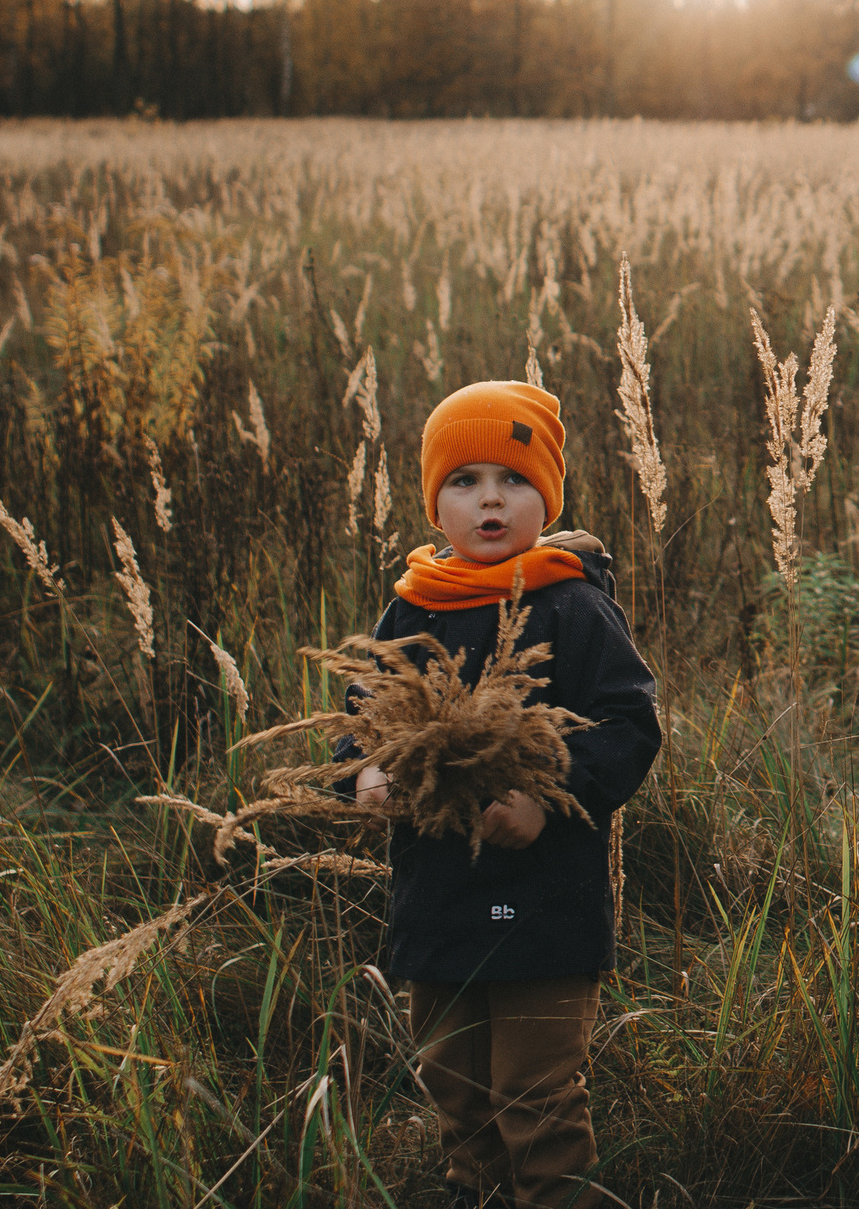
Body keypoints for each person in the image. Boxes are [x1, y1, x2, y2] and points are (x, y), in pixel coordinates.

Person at [342, 380, 661, 1209]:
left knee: (536, 1094)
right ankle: (473, 1193)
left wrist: (547, 798)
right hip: (437, 897)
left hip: (544, 902)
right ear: (435, 503)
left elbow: (628, 722)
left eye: (514, 481)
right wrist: (366, 769)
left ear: (545, 497)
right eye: (466, 480)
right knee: (454, 1085)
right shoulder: (415, 604)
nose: (490, 499)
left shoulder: (572, 601)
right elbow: (366, 709)